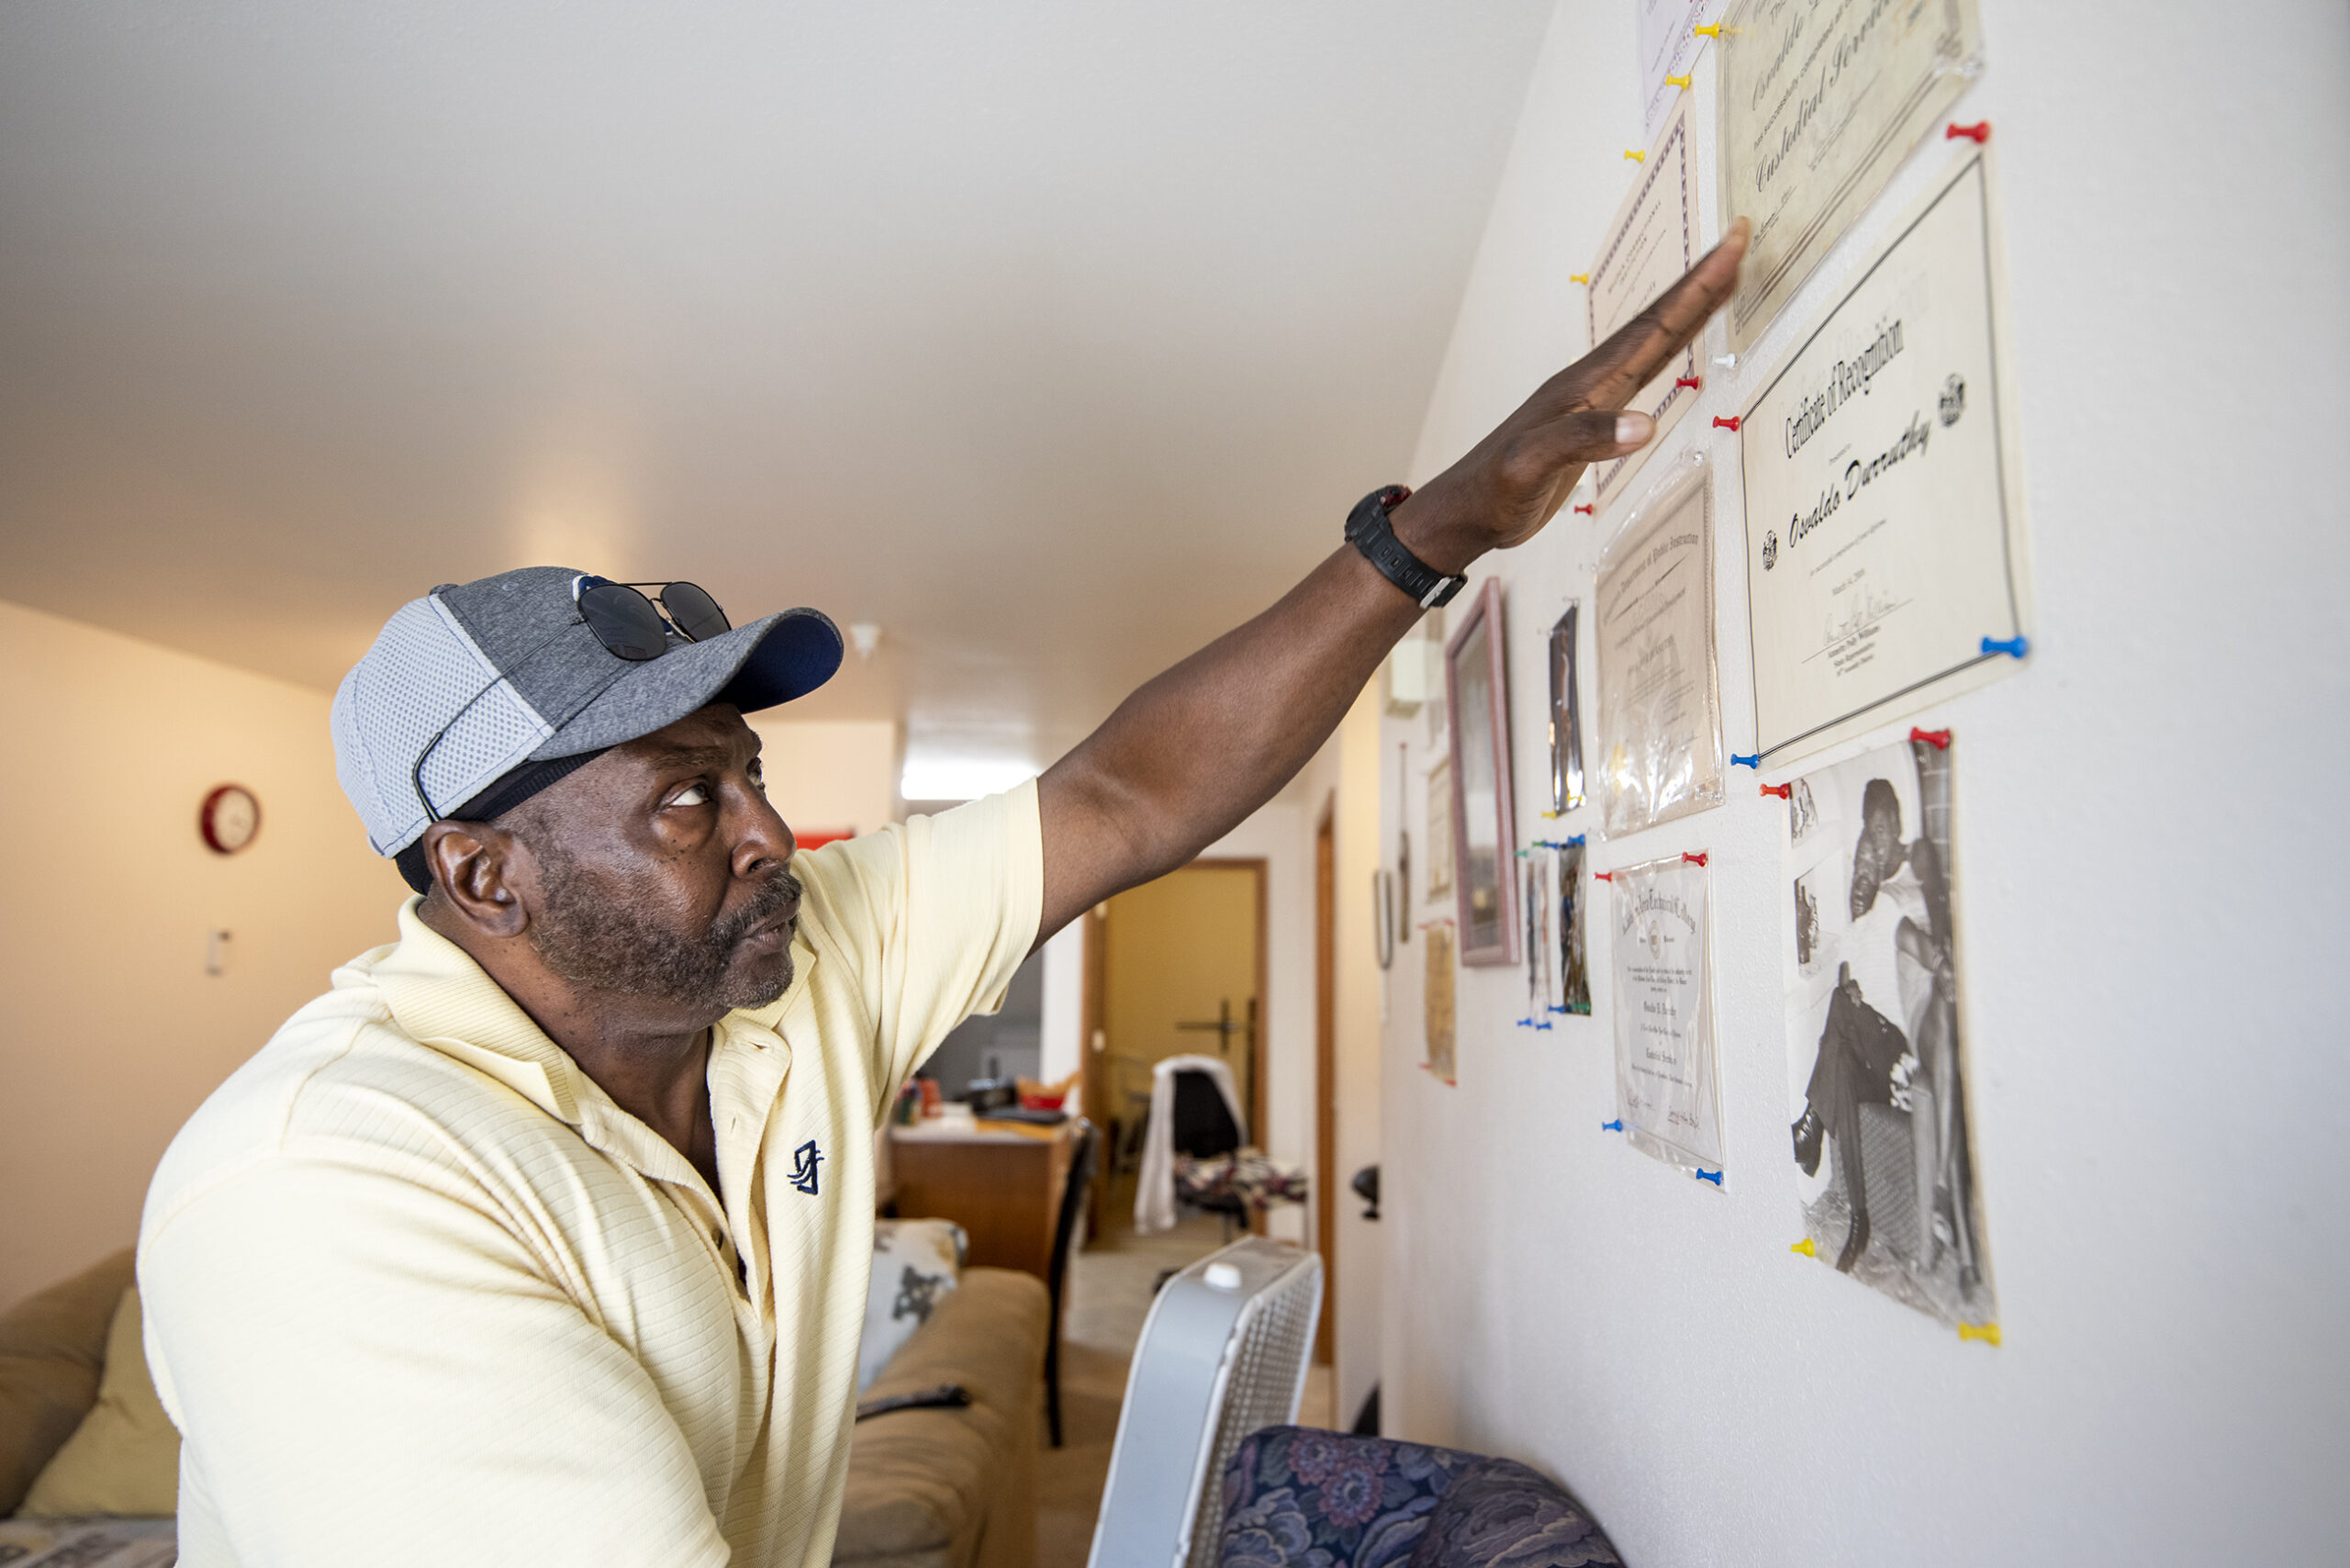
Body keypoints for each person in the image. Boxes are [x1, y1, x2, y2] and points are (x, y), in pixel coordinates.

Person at [138, 221, 1750, 1568]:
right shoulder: (322, 1187)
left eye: (747, 768)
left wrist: (1432, 532)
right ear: (483, 873)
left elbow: (1124, 795)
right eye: (691, 798)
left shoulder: (785, 972)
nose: (774, 832)